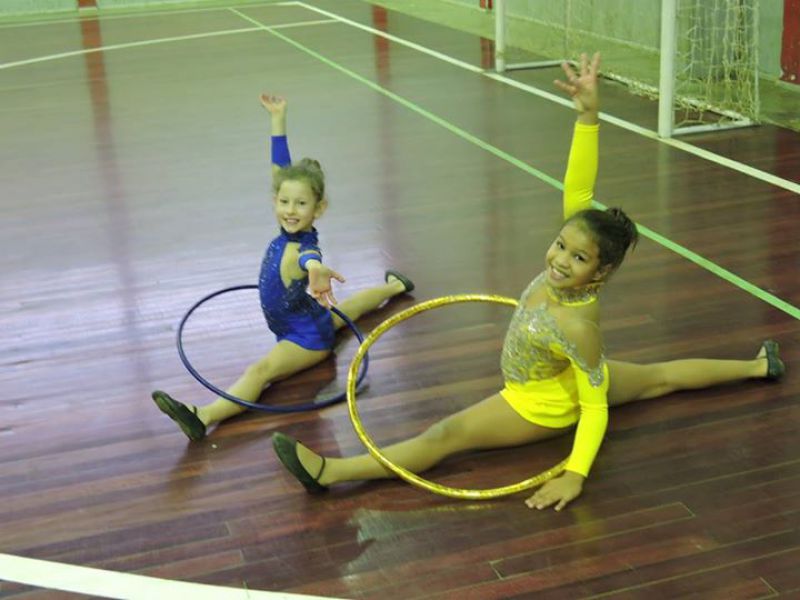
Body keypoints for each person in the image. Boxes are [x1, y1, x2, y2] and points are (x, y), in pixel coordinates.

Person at [271, 53, 785, 511]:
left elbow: (594, 407)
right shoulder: (577, 253)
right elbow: (579, 187)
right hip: (560, 374)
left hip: (539, 403)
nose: (560, 260)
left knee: (446, 435)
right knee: (660, 377)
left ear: (600, 272)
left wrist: (576, 474)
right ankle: (760, 365)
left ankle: (330, 472)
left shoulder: (579, 326)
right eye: (561, 245)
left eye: (577, 258)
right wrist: (588, 115)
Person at [152, 93, 414, 441]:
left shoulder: (302, 249)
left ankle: (203, 416)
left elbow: (309, 259)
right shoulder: (289, 223)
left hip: (305, 339)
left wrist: (316, 269)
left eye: (301, 204)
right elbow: (281, 172)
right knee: (352, 307)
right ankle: (396, 285)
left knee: (259, 371)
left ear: (319, 209)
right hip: (306, 315)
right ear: (275, 200)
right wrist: (277, 120)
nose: (290, 209)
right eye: (284, 201)